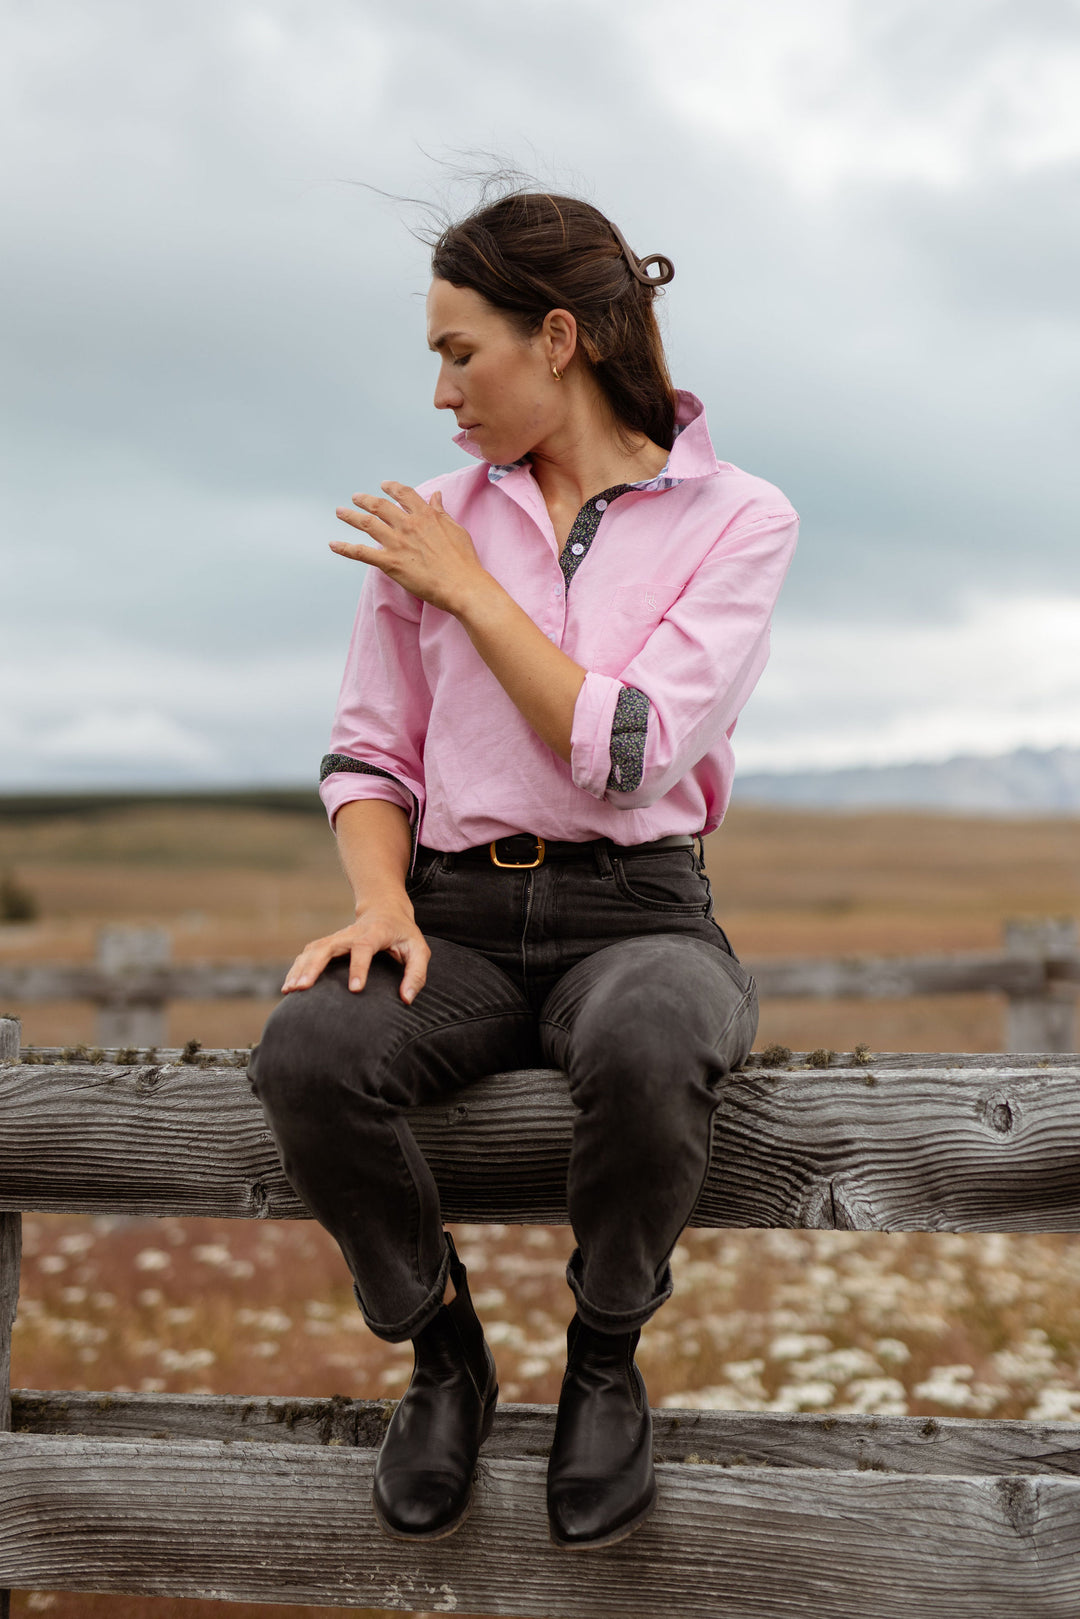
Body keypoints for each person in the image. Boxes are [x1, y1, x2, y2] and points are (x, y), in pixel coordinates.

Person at [248, 188, 798, 1551]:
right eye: (433, 357)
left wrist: (474, 592)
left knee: (657, 1032)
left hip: (640, 912)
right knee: (311, 1051)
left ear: (557, 339)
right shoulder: (428, 521)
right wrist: (379, 903)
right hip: (457, 915)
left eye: (460, 352)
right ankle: (443, 1354)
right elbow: (372, 755)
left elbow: (629, 748)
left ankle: (605, 1355)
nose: (439, 393)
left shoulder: (738, 517)